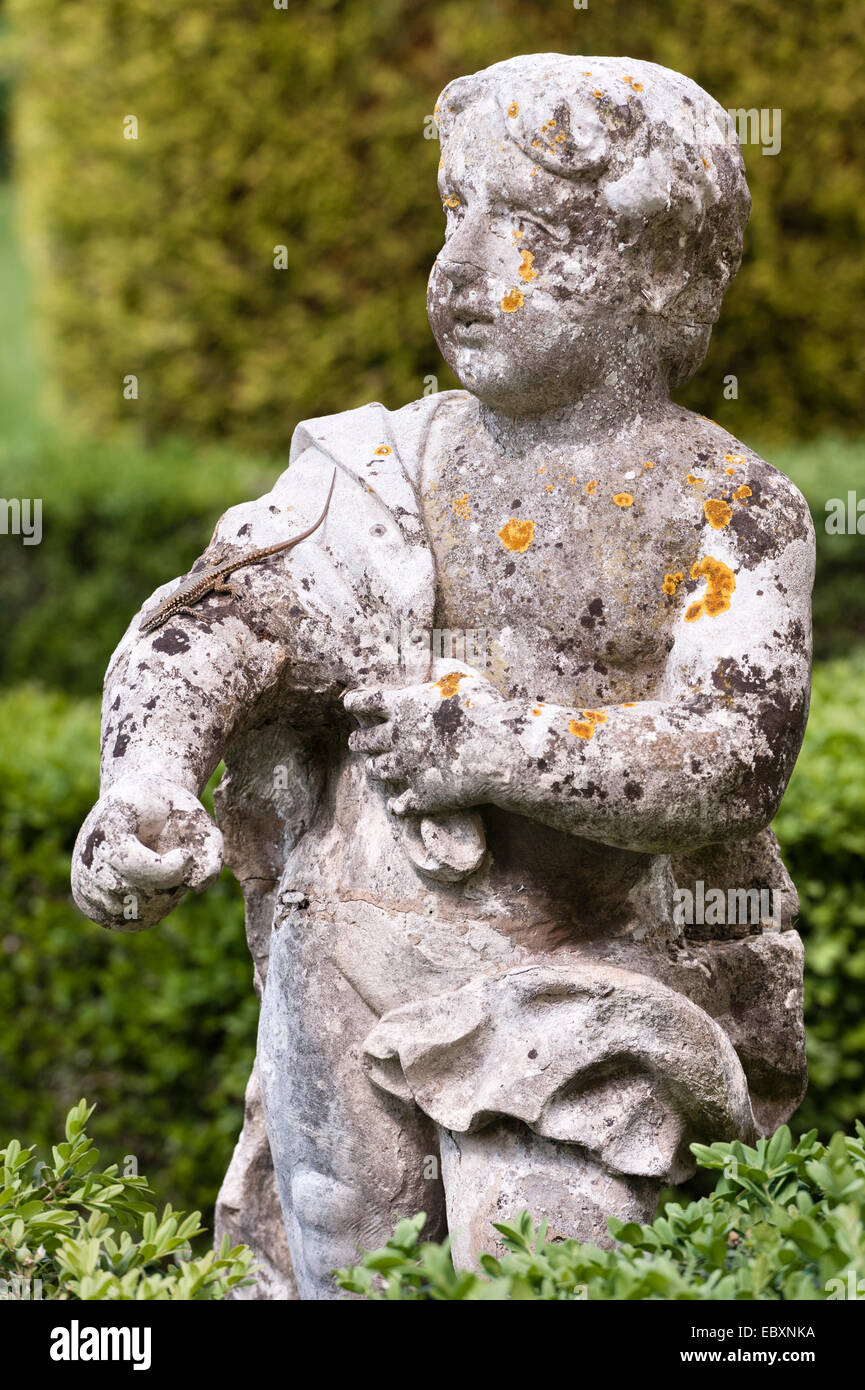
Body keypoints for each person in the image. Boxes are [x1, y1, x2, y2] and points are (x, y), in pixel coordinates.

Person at [72, 54, 813, 1300]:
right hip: (347, 959)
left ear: (660, 272)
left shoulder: (726, 509)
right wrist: (145, 777)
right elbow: (221, 623)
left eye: (522, 227)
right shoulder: (381, 469)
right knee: (337, 1255)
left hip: (589, 987)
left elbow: (732, 758)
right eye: (453, 211)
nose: (461, 269)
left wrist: (499, 747)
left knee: (546, 1243)